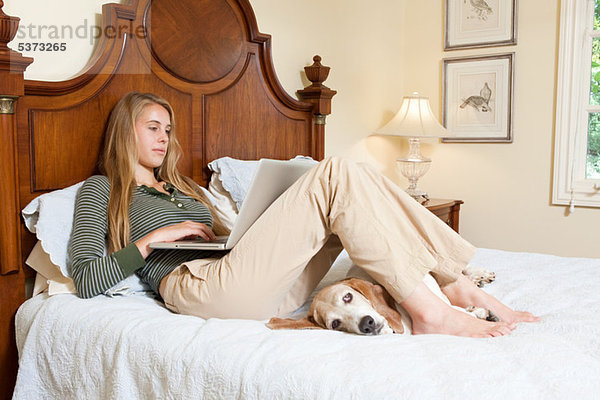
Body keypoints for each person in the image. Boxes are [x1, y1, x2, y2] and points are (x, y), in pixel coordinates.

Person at [69, 92, 539, 338]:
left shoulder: (182, 187)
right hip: (198, 286)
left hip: (252, 282)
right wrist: (153, 240)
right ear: (123, 131)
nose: (164, 138)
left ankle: (455, 283)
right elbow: (86, 278)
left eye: (168, 130)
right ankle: (437, 309)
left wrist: (251, 224)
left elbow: (236, 245)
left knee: (358, 178)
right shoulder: (103, 190)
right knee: (335, 172)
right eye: (153, 127)